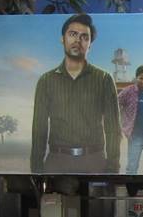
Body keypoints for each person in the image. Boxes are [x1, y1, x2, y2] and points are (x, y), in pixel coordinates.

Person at [29, 13, 121, 174]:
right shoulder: (46, 81)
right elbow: (39, 129)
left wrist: (112, 168)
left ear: (90, 44)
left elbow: (113, 127)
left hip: (94, 162)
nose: (78, 40)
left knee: (97, 200)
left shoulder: (104, 79)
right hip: (57, 163)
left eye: (85, 37)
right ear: (62, 38)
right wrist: (36, 170)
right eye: (73, 34)